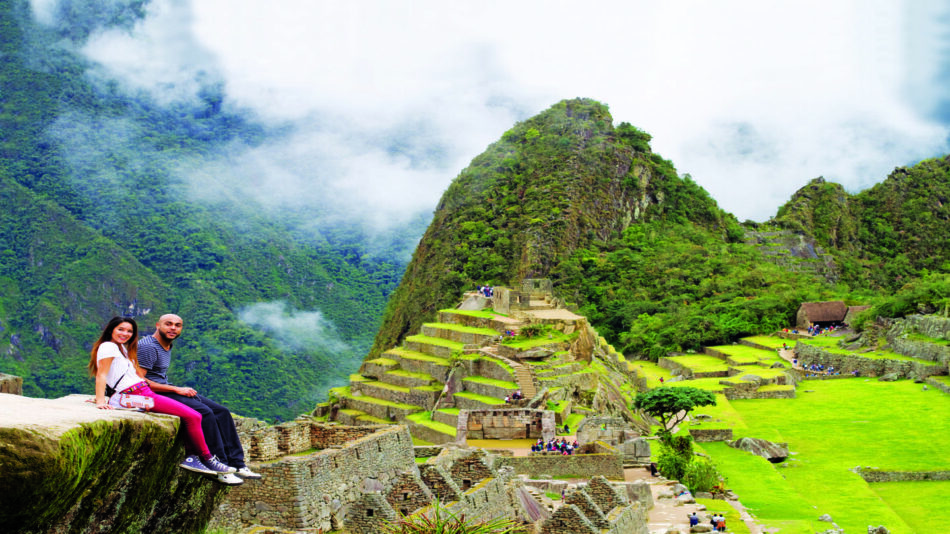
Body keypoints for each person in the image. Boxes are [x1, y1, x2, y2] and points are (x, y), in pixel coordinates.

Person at [89, 317, 240, 484]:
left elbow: (119, 375)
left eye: (129, 331)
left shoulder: (120, 348)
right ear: (111, 329)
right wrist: (101, 401)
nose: (125, 334)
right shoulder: (108, 347)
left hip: (142, 392)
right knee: (194, 416)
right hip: (136, 395)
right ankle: (205, 458)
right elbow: (101, 374)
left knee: (192, 414)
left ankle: (195, 458)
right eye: (121, 329)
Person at [137, 314, 262, 482]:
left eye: (177, 325)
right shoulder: (148, 347)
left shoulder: (166, 344)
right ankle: (221, 467)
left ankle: (237, 463)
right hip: (155, 393)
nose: (173, 328)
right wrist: (176, 389)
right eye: (168, 324)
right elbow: (139, 381)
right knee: (205, 413)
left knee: (222, 412)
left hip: (166, 388)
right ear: (158, 325)